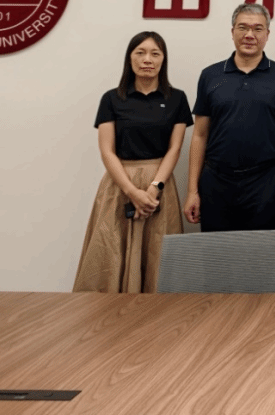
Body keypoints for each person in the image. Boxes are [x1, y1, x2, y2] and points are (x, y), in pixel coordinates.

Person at [74, 31, 191, 292]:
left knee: (159, 256)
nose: (147, 59)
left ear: (163, 60)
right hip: (119, 185)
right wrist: (132, 192)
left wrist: (154, 188)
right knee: (109, 253)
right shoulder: (112, 99)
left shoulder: (176, 99)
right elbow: (107, 151)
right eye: (140, 52)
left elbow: (175, 149)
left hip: (159, 186)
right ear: (130, 58)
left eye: (155, 53)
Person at [183, 3, 275, 231]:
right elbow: (200, 135)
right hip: (216, 180)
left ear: (267, 34)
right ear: (232, 31)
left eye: (257, 29)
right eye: (243, 27)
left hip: (264, 182)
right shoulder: (211, 75)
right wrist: (192, 191)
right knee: (217, 248)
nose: (249, 35)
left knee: (259, 249)